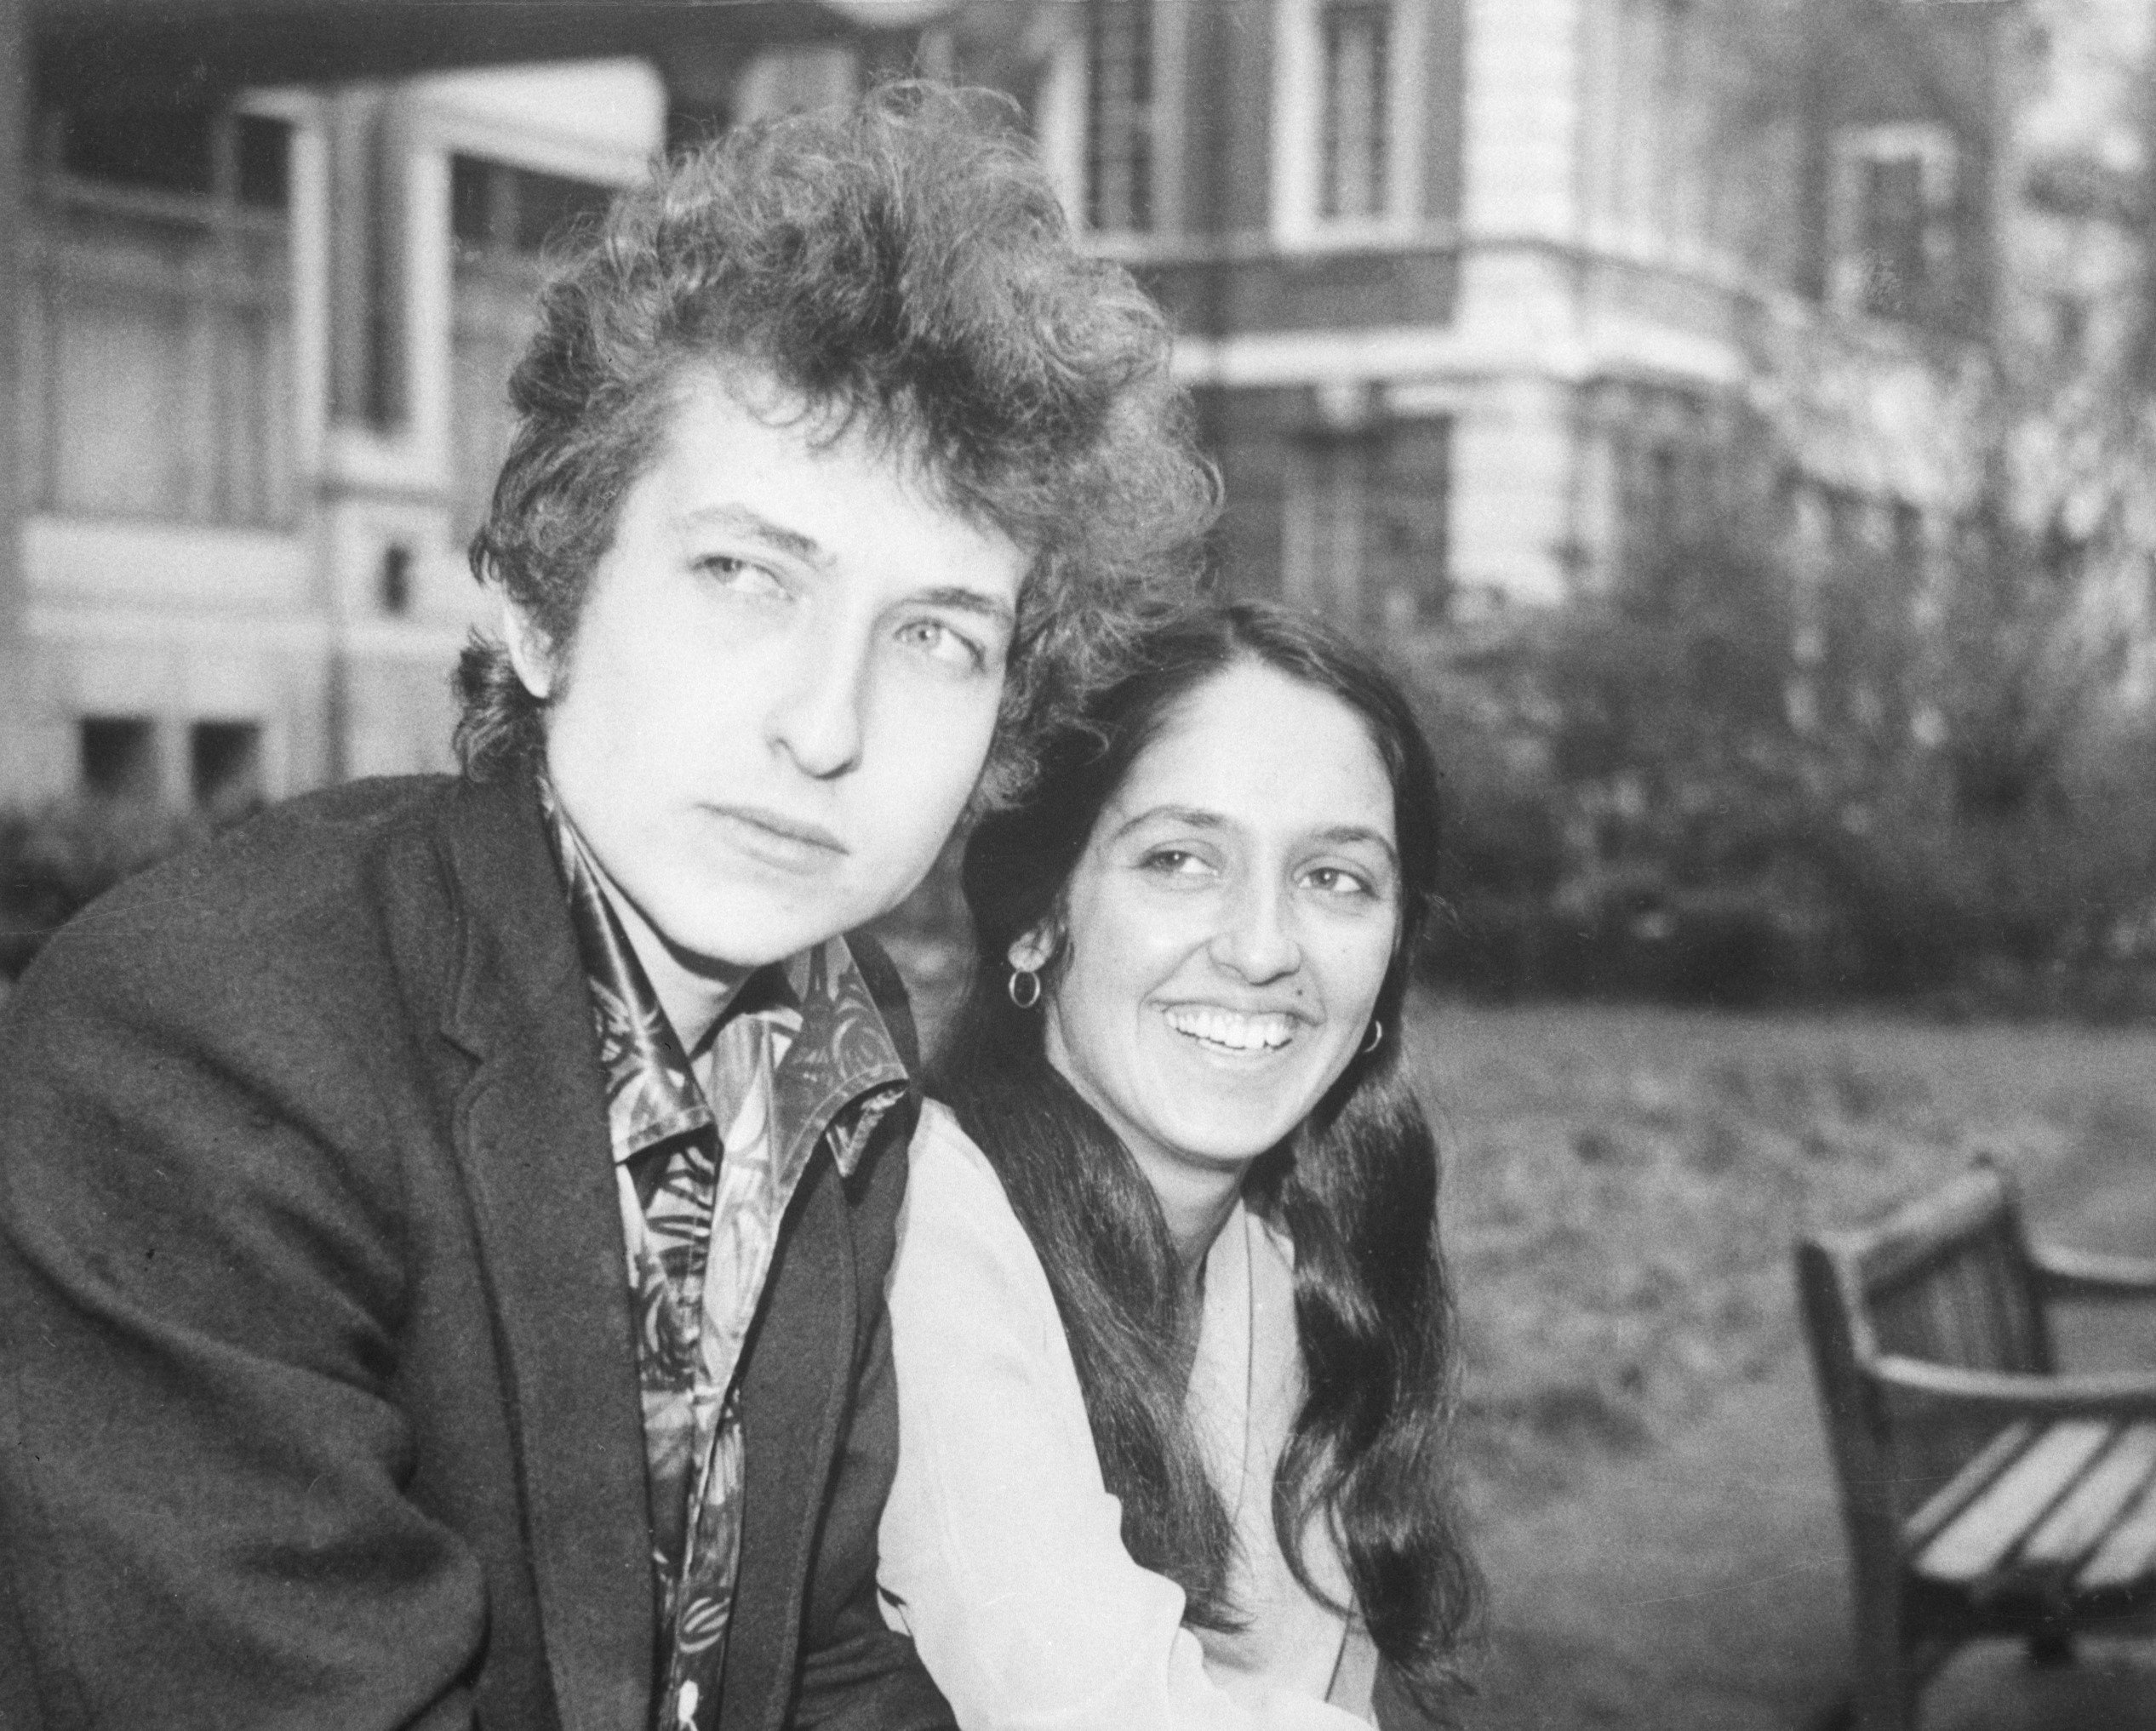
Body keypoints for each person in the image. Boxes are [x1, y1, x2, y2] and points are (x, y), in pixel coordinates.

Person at [0, 87, 1212, 1731]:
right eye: (744, 576)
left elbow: (829, 1664)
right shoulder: (210, 1039)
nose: (827, 724)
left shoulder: (830, 1042)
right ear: (543, 608)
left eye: (934, 634)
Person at [877, 602, 1477, 1731]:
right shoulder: (927, 1221)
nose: (1260, 947)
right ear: (1037, 917)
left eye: (1335, 877)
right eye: (1179, 859)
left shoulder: (1290, 1269)